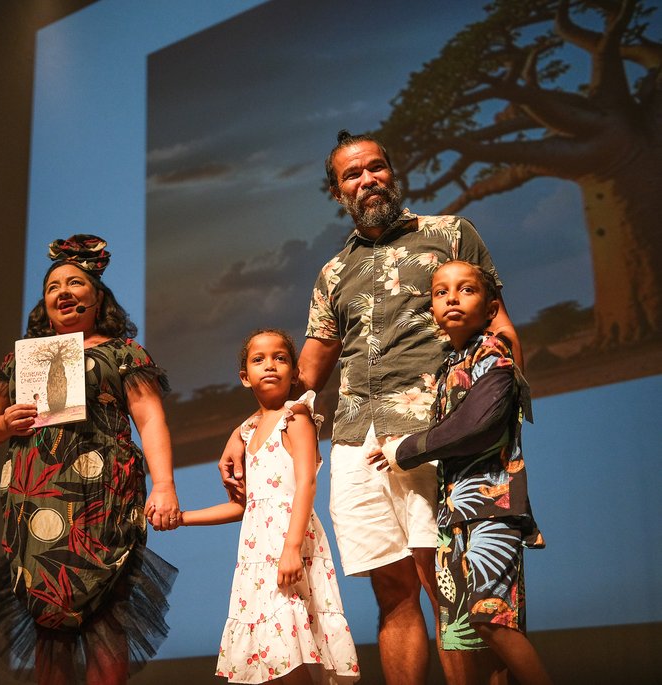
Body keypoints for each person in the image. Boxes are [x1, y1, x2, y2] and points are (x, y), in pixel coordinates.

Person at [220, 130, 522, 685]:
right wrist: (246, 429)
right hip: (358, 442)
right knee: (393, 594)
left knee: (449, 589)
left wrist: (503, 426)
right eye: (352, 175)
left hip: (435, 433)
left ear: (391, 171)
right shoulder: (334, 273)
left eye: (375, 167)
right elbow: (306, 373)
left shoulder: (449, 234)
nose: (367, 180)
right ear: (337, 191)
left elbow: (499, 328)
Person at [0, 234, 181, 685]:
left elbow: (150, 419)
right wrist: (3, 425)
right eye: (52, 287)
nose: (63, 292)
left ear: (97, 296)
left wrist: (164, 485)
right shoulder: (23, 361)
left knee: (106, 614)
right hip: (36, 503)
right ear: (44, 305)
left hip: (102, 502)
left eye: (74, 283)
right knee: (50, 624)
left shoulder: (122, 353)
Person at [368, 260, 550, 685]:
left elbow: (476, 426)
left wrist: (405, 449)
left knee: (492, 619)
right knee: (469, 633)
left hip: (492, 507)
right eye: (441, 291)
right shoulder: (451, 365)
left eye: (466, 289)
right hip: (455, 516)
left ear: (490, 309)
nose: (451, 297)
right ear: (431, 307)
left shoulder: (494, 354)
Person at [179, 329, 359, 684]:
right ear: (245, 378)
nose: (270, 365)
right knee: (272, 662)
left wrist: (291, 548)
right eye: (258, 359)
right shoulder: (249, 432)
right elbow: (245, 507)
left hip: (288, 549)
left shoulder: (297, 417)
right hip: (257, 559)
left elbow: (306, 482)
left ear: (294, 372)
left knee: (290, 656)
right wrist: (182, 519)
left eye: (280, 357)